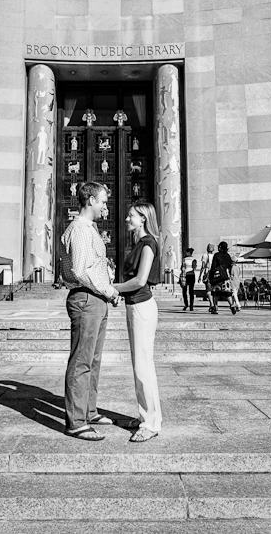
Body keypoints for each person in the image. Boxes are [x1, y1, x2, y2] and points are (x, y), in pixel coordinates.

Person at [60, 181, 120, 441]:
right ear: (91, 200)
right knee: (82, 360)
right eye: (103, 201)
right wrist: (109, 291)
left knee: (93, 359)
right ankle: (76, 421)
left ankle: (89, 410)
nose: (106, 207)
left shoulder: (89, 230)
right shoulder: (81, 230)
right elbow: (81, 270)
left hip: (95, 299)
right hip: (88, 298)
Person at [112, 200, 162, 443]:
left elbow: (141, 280)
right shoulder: (139, 243)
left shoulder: (148, 244)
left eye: (130, 215)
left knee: (144, 366)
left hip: (142, 307)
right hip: (134, 307)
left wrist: (113, 289)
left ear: (142, 218)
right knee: (139, 366)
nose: (126, 219)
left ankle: (151, 423)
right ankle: (145, 415)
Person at [209, 241, 238, 315]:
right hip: (225, 277)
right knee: (227, 293)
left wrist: (210, 276)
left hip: (217, 277)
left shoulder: (216, 255)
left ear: (220, 247)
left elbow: (213, 267)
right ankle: (232, 305)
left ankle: (215, 308)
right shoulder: (228, 256)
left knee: (215, 293)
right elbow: (230, 266)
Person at [199, 243, 215, 313]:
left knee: (208, 290)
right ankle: (213, 305)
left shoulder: (205, 255)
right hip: (214, 274)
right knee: (213, 290)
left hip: (208, 274)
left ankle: (211, 304)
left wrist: (199, 276)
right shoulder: (215, 256)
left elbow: (203, 266)